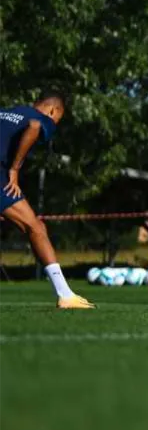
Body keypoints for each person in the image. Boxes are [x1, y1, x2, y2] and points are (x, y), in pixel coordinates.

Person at [2, 91, 93, 309]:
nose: (55, 124)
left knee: (33, 226)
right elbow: (34, 127)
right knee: (36, 227)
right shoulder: (42, 118)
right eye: (58, 119)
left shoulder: (6, 112)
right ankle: (65, 295)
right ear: (53, 110)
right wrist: (14, 169)